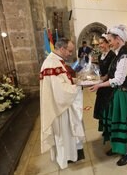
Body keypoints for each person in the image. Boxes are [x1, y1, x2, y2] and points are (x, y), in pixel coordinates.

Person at [89, 25, 127, 166]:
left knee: (124, 124)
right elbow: (110, 75)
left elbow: (118, 80)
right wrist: (97, 81)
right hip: (115, 94)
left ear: (118, 39)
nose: (109, 42)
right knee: (114, 123)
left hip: (122, 94)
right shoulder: (118, 54)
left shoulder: (125, 56)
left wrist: (99, 85)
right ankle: (118, 147)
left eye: (110, 40)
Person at [40, 38, 86, 169]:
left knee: (68, 133)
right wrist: (77, 87)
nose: (71, 54)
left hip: (62, 105)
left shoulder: (55, 61)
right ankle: (67, 157)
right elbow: (60, 91)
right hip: (60, 108)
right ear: (62, 49)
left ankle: (72, 154)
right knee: (64, 134)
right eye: (69, 51)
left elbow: (63, 81)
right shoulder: (52, 64)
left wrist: (75, 80)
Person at [93, 34, 115, 130]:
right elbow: (99, 70)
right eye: (99, 44)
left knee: (108, 107)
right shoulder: (100, 56)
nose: (100, 45)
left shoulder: (112, 55)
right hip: (101, 85)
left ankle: (109, 129)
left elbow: (111, 72)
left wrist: (101, 80)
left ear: (107, 43)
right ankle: (104, 129)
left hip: (109, 85)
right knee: (101, 107)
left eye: (102, 43)